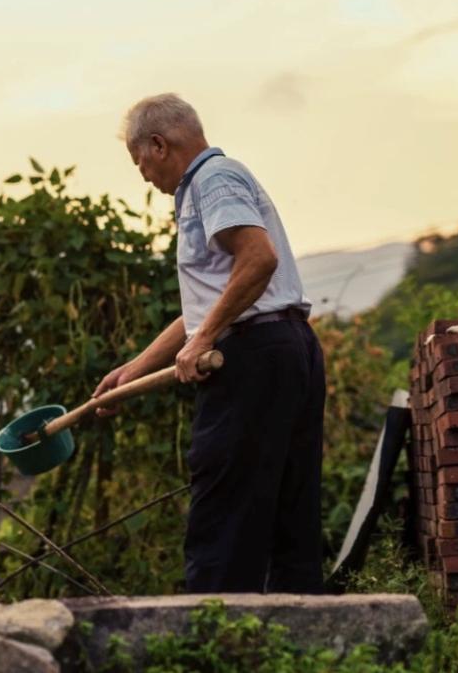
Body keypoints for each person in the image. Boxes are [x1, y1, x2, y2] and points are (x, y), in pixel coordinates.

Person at [93, 93, 325, 594]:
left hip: (255, 357)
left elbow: (257, 261)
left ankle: (213, 633)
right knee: (288, 505)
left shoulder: (212, 180)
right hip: (281, 346)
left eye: (140, 164)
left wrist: (204, 338)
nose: (146, 179)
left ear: (158, 144)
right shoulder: (210, 185)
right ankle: (298, 632)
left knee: (225, 507)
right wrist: (135, 367)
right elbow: (212, 304)